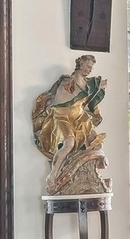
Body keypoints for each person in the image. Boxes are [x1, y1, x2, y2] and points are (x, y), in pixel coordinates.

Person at [32, 55, 108, 194]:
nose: (90, 70)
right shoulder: (67, 81)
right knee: (69, 144)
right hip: (63, 116)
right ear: (81, 64)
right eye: (88, 67)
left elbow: (88, 100)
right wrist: (93, 86)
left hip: (79, 116)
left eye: (92, 68)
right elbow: (61, 101)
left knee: (97, 144)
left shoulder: (88, 83)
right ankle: (53, 175)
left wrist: (97, 87)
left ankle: (83, 168)